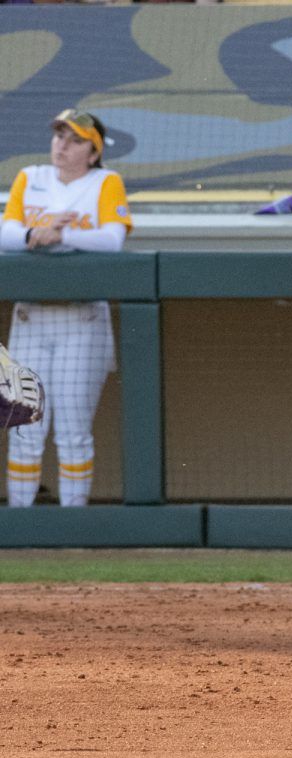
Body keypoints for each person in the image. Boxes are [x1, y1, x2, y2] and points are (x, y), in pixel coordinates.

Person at [0, 109, 131, 506]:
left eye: (75, 140)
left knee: (73, 431)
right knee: (23, 428)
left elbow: (113, 239)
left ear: (92, 152)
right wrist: (33, 233)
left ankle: (72, 527)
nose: (63, 145)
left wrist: (63, 234)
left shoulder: (105, 182)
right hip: (31, 317)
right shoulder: (31, 177)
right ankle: (22, 526)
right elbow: (6, 233)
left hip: (82, 318)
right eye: (59, 136)